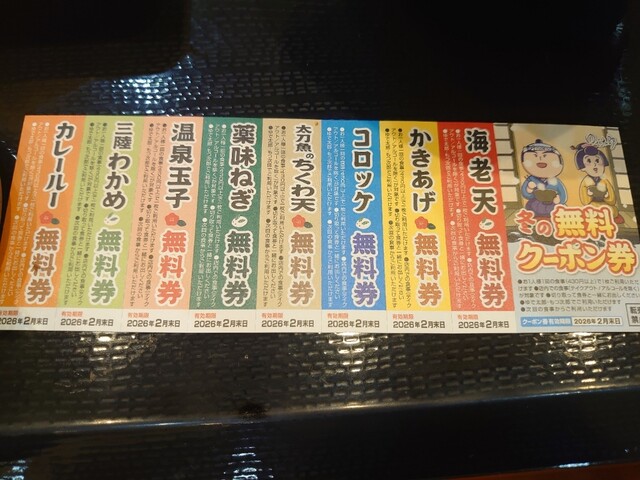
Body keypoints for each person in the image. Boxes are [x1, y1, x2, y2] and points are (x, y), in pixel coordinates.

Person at [573, 142, 624, 224]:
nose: (594, 164)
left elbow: (612, 200)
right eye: (589, 161)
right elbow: (585, 201)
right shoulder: (586, 181)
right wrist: (589, 194)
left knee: (612, 210)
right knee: (590, 210)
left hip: (605, 204)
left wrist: (606, 195)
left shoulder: (605, 180)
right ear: (582, 167)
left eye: (597, 160)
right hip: (593, 204)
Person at [520, 139, 567, 218]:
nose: (540, 158)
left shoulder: (555, 181)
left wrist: (559, 199)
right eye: (535, 156)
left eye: (545, 156)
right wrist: (529, 189)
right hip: (535, 206)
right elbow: (526, 194)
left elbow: (562, 193)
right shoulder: (530, 179)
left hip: (553, 206)